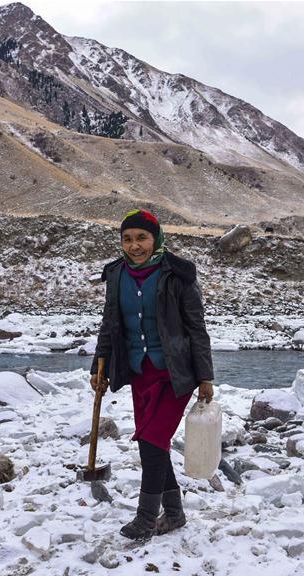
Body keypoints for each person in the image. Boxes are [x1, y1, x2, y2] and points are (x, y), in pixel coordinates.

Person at [89, 209, 214, 541]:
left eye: (141, 237)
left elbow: (196, 329)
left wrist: (206, 377)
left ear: (156, 238)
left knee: (151, 441)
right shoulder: (116, 274)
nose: (134, 246)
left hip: (176, 373)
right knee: (154, 444)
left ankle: (146, 518)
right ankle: (174, 513)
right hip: (140, 372)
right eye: (127, 239)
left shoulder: (178, 275)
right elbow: (110, 324)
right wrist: (98, 365)